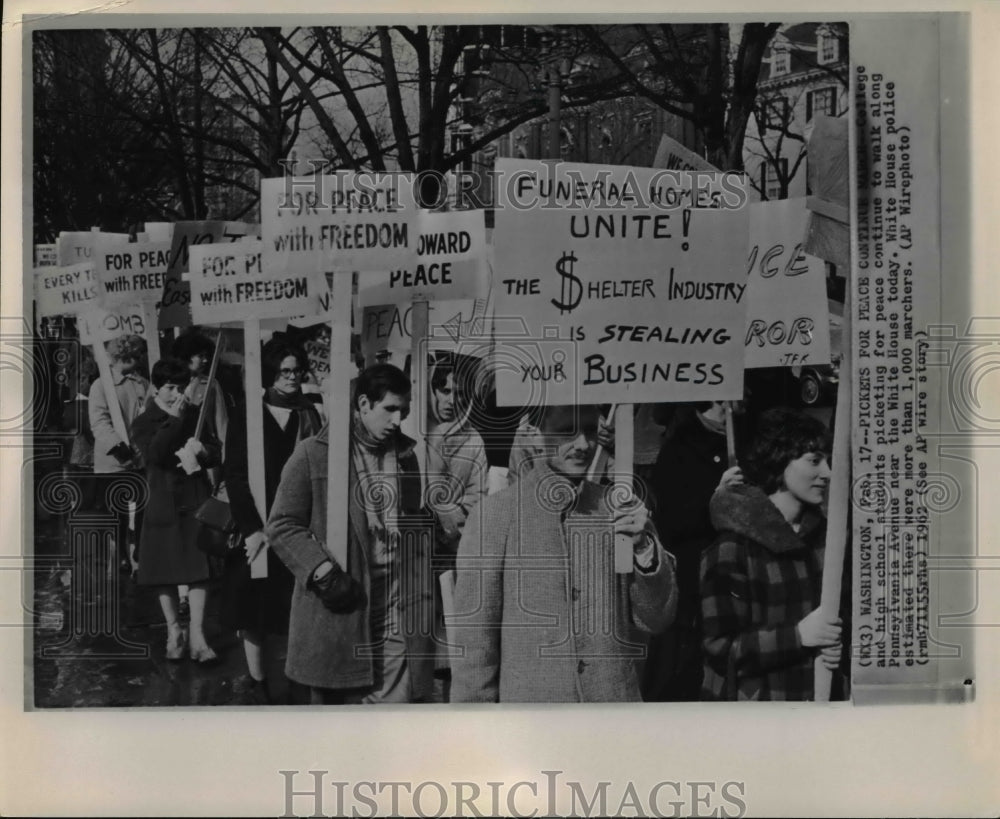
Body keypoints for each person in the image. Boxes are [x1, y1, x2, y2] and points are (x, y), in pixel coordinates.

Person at [450, 403, 678, 703]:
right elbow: (475, 646)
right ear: (535, 433)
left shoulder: (617, 509)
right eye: (565, 431)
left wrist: (644, 548)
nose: (583, 444)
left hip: (610, 716)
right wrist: (475, 730)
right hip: (533, 724)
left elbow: (657, 619)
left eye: (589, 430)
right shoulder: (494, 515)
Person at [267, 363, 435, 704]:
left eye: (403, 411)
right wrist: (323, 572)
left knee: (394, 721)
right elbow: (282, 525)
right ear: (362, 405)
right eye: (389, 409)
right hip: (343, 604)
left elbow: (412, 518)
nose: (397, 420)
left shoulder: (405, 457)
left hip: (395, 603)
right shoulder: (314, 454)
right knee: (341, 724)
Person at [700, 407, 844, 701]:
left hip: (816, 710)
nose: (827, 473)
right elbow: (719, 650)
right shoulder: (731, 549)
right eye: (815, 461)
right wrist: (799, 636)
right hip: (755, 716)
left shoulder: (828, 541)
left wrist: (839, 645)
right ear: (780, 461)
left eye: (827, 461)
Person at [222, 339, 323, 704]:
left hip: (297, 523)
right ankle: (257, 680)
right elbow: (234, 474)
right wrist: (251, 529)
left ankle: (297, 678)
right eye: (284, 372)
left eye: (297, 371)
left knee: (296, 604)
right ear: (270, 374)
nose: (292, 378)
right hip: (256, 523)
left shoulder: (310, 413)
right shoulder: (247, 414)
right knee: (253, 606)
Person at [644, 400, 746, 701]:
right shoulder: (680, 448)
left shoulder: (745, 439)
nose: (741, 401)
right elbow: (672, 521)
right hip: (696, 581)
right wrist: (716, 495)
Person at [132, 357, 221, 663]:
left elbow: (215, 451)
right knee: (162, 571)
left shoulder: (195, 414)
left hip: (194, 496)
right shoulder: (144, 421)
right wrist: (174, 420)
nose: (177, 394)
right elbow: (154, 454)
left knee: (199, 569)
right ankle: (174, 631)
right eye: (170, 387)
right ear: (156, 388)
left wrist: (204, 451)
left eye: (181, 387)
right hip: (161, 500)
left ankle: (197, 633)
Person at [423, 356, 489, 697]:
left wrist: (450, 519)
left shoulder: (473, 440)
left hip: (452, 552)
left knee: (450, 638)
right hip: (413, 554)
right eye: (443, 390)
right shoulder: (411, 433)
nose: (450, 400)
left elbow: (479, 496)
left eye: (458, 393)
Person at [88, 334, 150, 571]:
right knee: (117, 512)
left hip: (140, 457)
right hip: (113, 461)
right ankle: (120, 552)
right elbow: (99, 421)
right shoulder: (101, 385)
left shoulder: (143, 384)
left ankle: (139, 553)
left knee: (143, 507)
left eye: (135, 357)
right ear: (115, 359)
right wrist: (117, 446)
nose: (132, 362)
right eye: (126, 358)